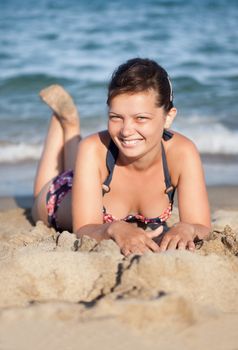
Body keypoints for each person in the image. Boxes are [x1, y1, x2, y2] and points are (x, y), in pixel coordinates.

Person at [32, 58, 211, 256]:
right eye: (115, 117)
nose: (126, 131)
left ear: (168, 117)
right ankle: (65, 122)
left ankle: (70, 127)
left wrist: (189, 228)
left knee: (82, 165)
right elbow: (82, 229)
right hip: (59, 195)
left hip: (91, 178)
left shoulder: (182, 153)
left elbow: (201, 225)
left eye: (141, 118)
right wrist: (113, 228)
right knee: (43, 195)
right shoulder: (92, 149)